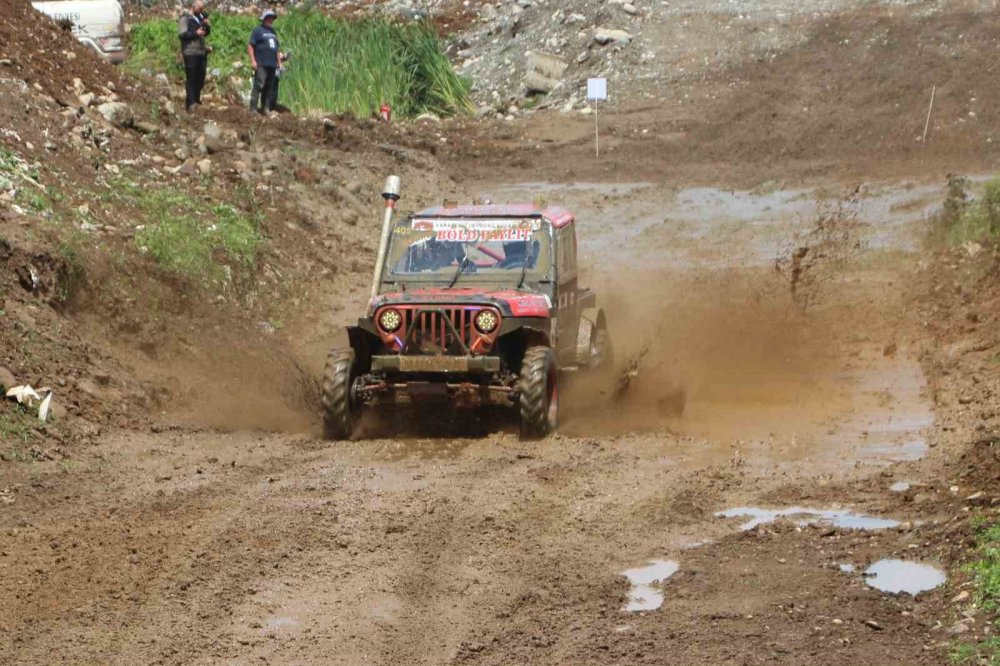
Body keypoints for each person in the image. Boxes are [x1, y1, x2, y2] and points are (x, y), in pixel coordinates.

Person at [178, 0, 211, 112]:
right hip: (190, 52)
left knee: (200, 77)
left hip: (201, 52)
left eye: (202, 9)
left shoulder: (200, 18)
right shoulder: (185, 18)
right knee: (191, 78)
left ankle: (196, 99)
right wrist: (196, 33)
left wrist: (206, 26)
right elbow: (182, 34)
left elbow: (205, 33)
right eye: (200, 8)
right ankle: (191, 103)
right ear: (194, 6)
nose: (201, 11)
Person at [248, 9, 282, 115]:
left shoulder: (273, 32)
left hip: (272, 64)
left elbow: (276, 49)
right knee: (259, 85)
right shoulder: (257, 30)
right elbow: (250, 45)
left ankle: (265, 108)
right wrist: (253, 60)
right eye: (269, 17)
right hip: (261, 63)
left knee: (269, 87)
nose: (271, 20)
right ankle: (253, 109)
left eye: (272, 18)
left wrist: (279, 62)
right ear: (264, 18)